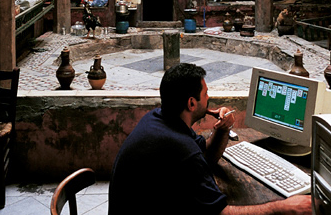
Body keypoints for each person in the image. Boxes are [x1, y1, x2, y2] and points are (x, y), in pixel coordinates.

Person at [108, 63, 312, 215]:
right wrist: (282, 208)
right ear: (191, 103)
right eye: (205, 94)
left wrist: (223, 131)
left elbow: (206, 157)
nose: (208, 98)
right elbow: (219, 212)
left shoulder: (160, 118)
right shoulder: (181, 148)